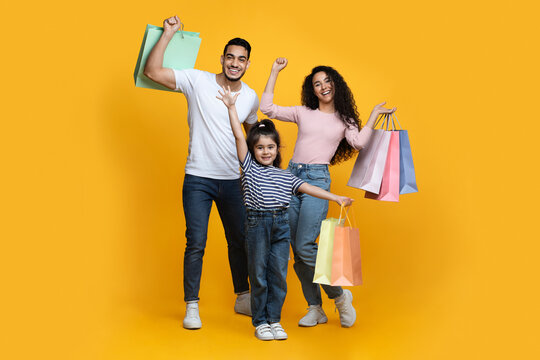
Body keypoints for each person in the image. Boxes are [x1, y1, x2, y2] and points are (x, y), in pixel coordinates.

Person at [260, 58, 396, 328]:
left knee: (305, 246)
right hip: (291, 178)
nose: (322, 86)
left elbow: (358, 143)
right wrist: (275, 71)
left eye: (327, 81)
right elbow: (267, 108)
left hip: (317, 181)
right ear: (312, 90)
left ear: (336, 84)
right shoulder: (303, 112)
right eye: (317, 83)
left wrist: (372, 116)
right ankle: (315, 308)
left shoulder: (343, 120)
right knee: (298, 253)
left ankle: (340, 296)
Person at [143, 15, 259, 330]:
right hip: (198, 179)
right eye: (230, 57)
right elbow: (151, 71)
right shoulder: (197, 80)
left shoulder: (250, 97)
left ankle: (243, 297)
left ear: (247, 64)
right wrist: (168, 34)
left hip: (234, 181)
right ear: (222, 59)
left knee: (239, 239)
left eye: (242, 59)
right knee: (196, 241)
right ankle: (192, 306)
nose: (235, 63)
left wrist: (260, 169)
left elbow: (251, 135)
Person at [217, 85, 354, 340]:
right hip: (257, 224)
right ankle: (260, 322)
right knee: (258, 274)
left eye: (270, 147)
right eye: (260, 148)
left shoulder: (285, 176)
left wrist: (336, 197)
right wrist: (231, 107)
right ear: (253, 151)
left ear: (278, 149)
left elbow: (309, 187)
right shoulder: (249, 167)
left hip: (281, 225)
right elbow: (238, 136)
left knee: (278, 275)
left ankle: (274, 320)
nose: (266, 152)